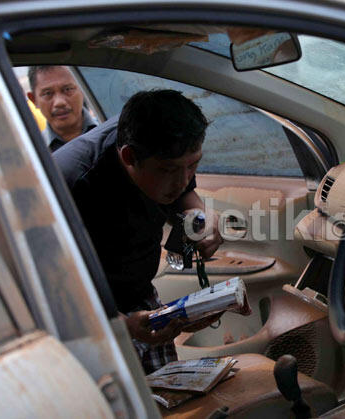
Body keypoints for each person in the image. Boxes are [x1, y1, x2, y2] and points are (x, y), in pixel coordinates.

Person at [54, 89, 223, 373]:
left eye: (193, 165)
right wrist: (123, 325)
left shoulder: (157, 133)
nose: (183, 181)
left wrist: (200, 215)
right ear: (129, 156)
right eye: (168, 171)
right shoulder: (69, 185)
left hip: (141, 297)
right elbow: (54, 287)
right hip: (86, 318)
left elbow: (185, 192)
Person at [27, 65, 98, 151]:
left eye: (67, 89)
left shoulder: (111, 131)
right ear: (34, 100)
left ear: (83, 89)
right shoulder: (34, 153)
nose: (59, 102)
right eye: (48, 93)